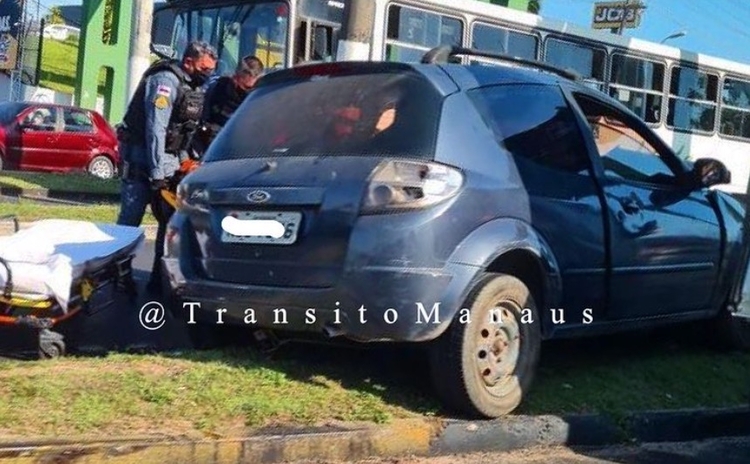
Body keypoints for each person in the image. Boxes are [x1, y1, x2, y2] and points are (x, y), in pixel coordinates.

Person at [115, 40, 218, 293]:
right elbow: (155, 130)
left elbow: (180, 131)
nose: (207, 74)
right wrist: (157, 174)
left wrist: (184, 160)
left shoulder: (190, 86)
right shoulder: (165, 81)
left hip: (167, 161)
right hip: (142, 161)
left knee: (167, 221)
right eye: (204, 68)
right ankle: (118, 276)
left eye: (211, 70)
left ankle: (158, 279)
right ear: (188, 62)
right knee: (130, 221)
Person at [193, 55, 264, 154]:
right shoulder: (216, 90)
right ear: (235, 78)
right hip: (211, 150)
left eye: (253, 88)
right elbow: (200, 125)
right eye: (246, 87)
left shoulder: (260, 98)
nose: (249, 92)